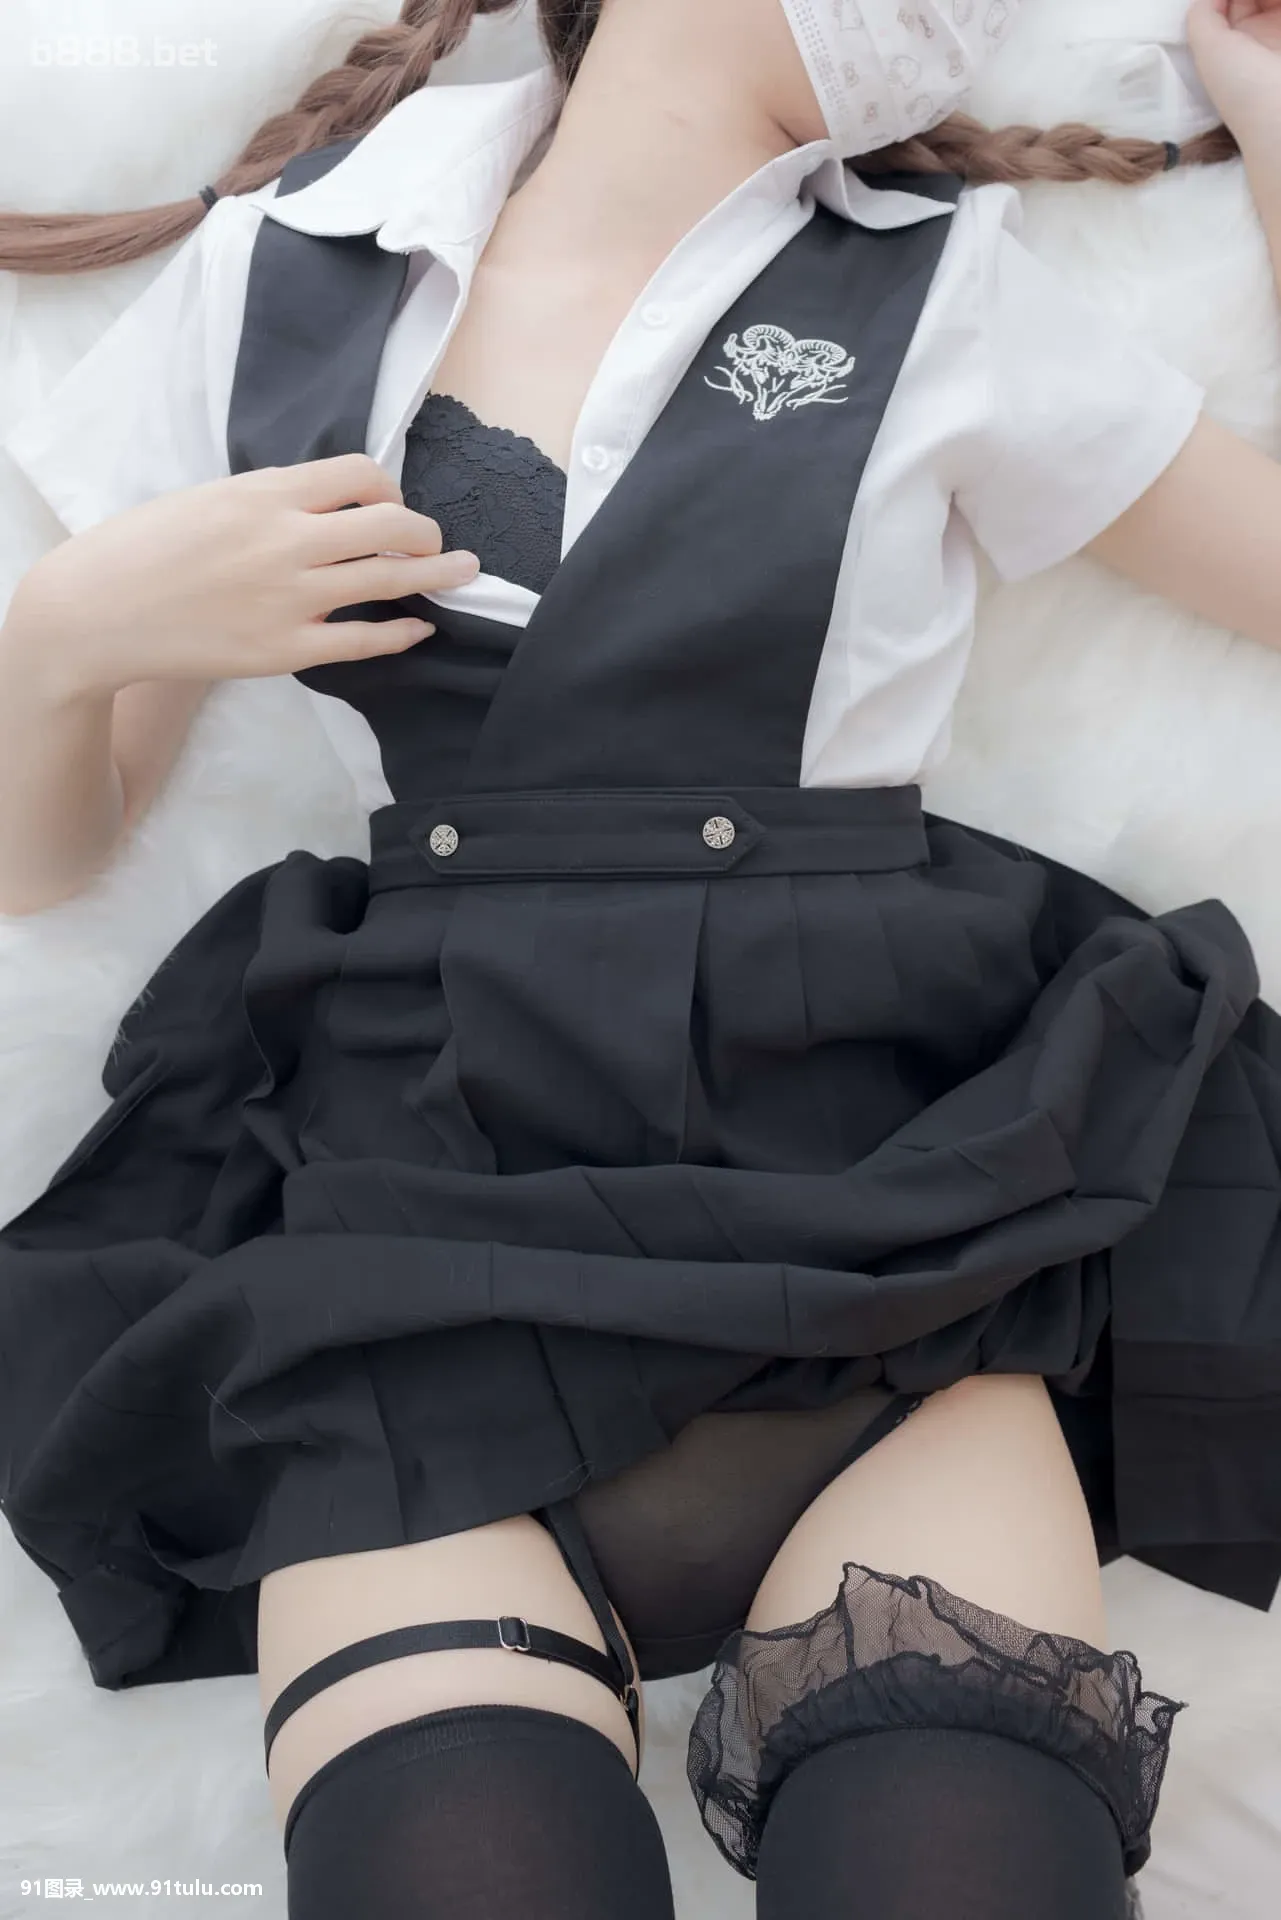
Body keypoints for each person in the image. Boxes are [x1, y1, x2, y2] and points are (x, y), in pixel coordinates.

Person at [0, 1, 1279, 1913]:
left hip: (888, 1255)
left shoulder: (948, 289)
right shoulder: (281, 276)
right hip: (411, 1270)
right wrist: (59, 636)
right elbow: (45, 856)